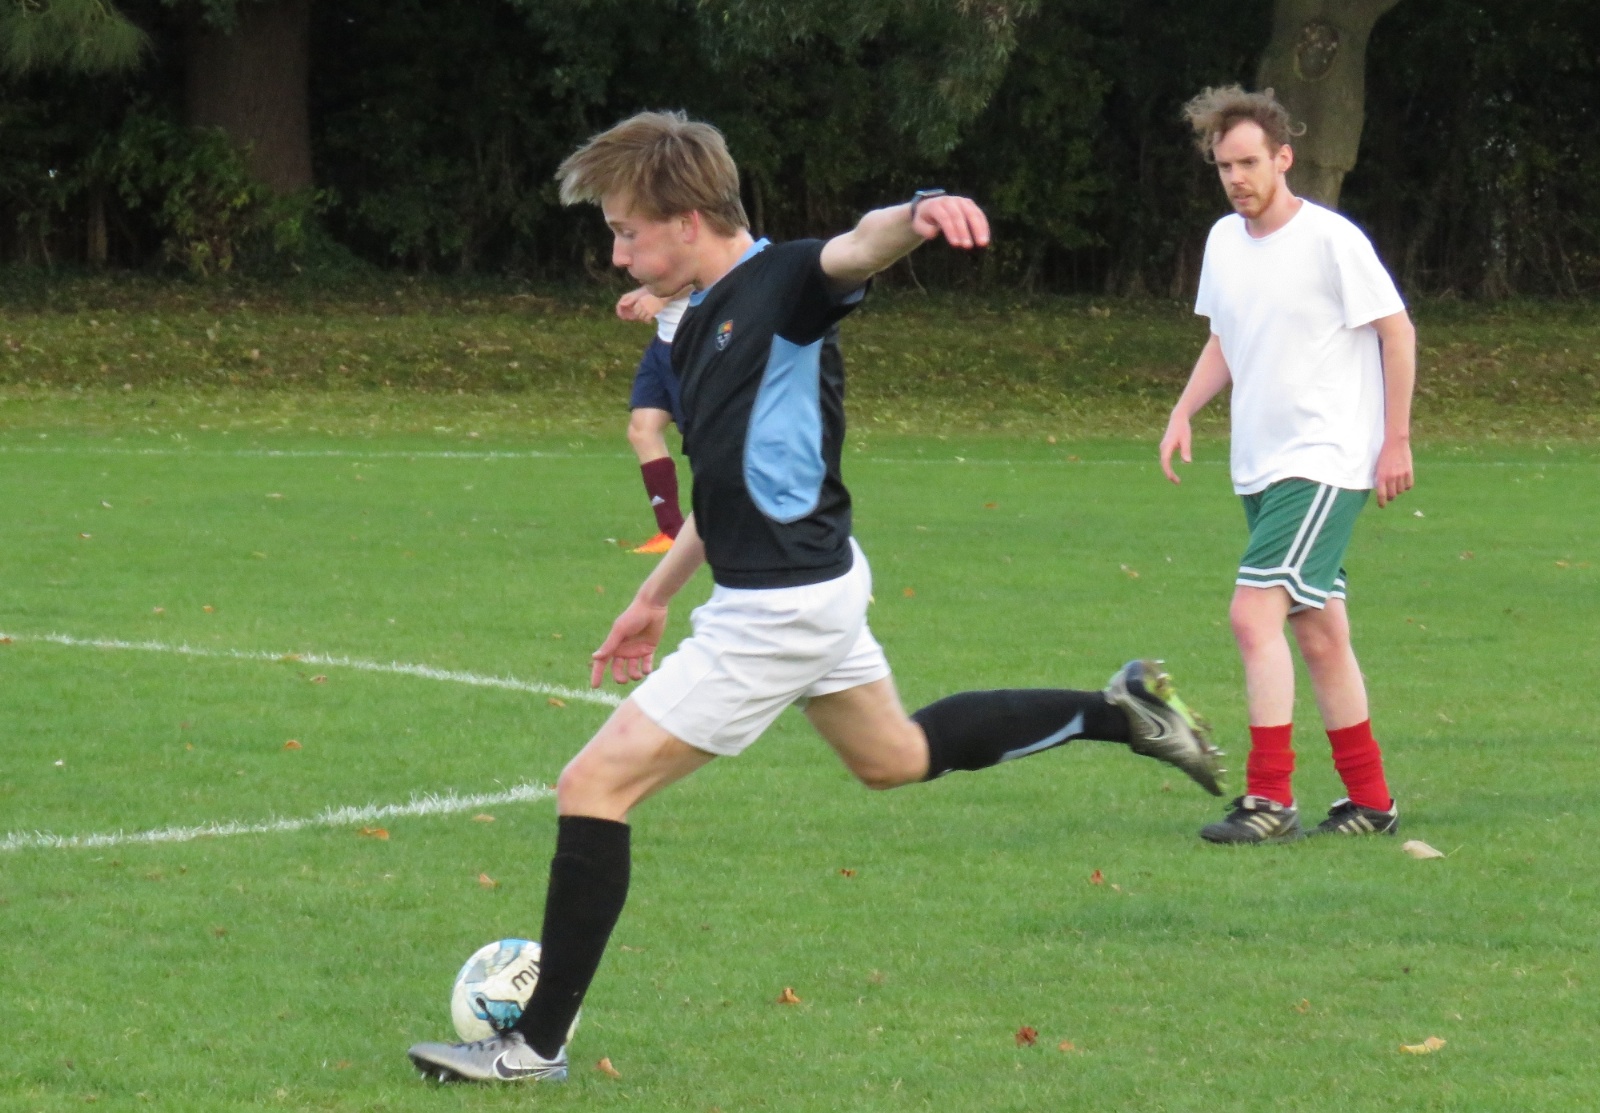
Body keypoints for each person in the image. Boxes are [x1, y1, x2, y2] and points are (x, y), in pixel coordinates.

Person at [407, 110, 1223, 1085]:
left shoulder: (784, 284)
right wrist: (655, 594)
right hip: (814, 583)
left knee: (593, 785)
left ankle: (532, 1047)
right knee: (894, 757)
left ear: (688, 219)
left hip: (780, 608)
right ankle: (1120, 710)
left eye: (627, 232)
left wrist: (922, 211)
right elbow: (723, 487)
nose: (617, 255)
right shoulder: (697, 319)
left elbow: (855, 248)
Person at [1159, 86, 1417, 845]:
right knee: (1320, 634)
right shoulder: (1223, 242)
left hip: (1325, 458)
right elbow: (1226, 337)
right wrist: (1183, 410)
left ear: (1283, 159)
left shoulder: (1331, 240)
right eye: (1224, 166)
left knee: (1253, 615)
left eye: (1249, 163)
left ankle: (1269, 798)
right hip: (1261, 466)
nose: (1236, 178)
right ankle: (1371, 801)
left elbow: (1397, 333)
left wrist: (1396, 439)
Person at [616, 285, 691, 554]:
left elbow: (703, 269)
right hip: (663, 344)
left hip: (693, 343)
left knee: (708, 441)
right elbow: (669, 270)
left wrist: (662, 298)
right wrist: (643, 292)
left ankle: (753, 525)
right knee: (642, 431)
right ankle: (672, 532)